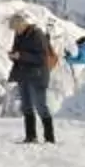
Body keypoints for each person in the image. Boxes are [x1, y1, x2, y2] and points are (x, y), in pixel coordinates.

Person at [7, 13, 57, 145]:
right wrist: (13, 55)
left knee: (41, 106)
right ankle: (30, 136)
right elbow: (18, 50)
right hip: (24, 75)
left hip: (38, 75)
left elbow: (41, 58)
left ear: (22, 25)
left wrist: (21, 55)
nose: (15, 31)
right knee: (26, 106)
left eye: (16, 28)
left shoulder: (37, 35)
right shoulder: (19, 35)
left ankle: (49, 138)